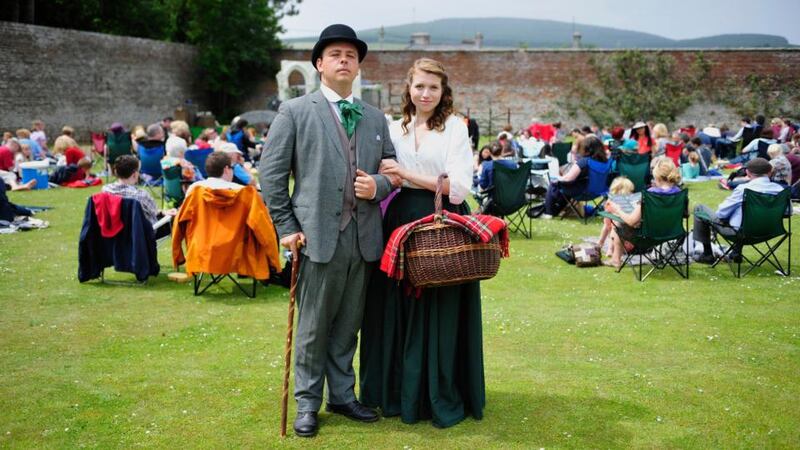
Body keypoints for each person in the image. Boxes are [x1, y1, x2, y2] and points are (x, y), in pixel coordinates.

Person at [260, 24, 395, 438]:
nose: (344, 60)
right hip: (315, 237)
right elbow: (271, 173)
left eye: (351, 55)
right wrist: (286, 227)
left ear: (357, 67)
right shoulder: (295, 112)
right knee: (313, 326)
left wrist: (379, 186)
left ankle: (342, 395)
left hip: (363, 238)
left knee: (348, 325)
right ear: (319, 64)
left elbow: (391, 168)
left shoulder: (375, 117)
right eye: (335, 54)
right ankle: (306, 403)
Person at [360, 57, 482, 429]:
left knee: (437, 308)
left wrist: (406, 175)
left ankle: (434, 393)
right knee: (394, 308)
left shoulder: (455, 130)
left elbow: (458, 187)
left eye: (433, 87)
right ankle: (395, 391)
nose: (425, 93)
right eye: (419, 86)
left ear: (443, 91)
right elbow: (382, 171)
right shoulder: (395, 127)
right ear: (408, 89)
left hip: (441, 222)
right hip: (398, 222)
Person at [693, 157, 786, 264]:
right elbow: (788, 212)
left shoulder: (743, 189)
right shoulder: (780, 190)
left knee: (700, 208)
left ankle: (707, 254)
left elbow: (721, 213)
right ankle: (736, 253)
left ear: (747, 172)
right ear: (770, 172)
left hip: (740, 234)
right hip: (769, 232)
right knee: (741, 215)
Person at [604, 157, 682, 268]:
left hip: (648, 237)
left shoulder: (650, 194)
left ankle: (616, 260)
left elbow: (631, 221)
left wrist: (617, 209)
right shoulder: (679, 193)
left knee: (618, 222)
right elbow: (686, 214)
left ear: (657, 176)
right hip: (672, 234)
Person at [101, 155, 175, 238]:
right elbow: (153, 213)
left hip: (115, 234)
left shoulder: (106, 190)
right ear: (135, 174)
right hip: (141, 236)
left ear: (116, 172)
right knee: (175, 219)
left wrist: (161, 212)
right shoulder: (141, 195)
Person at [543, 135, 608, 218]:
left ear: (586, 148)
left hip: (582, 192)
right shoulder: (606, 162)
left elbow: (568, 178)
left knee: (554, 184)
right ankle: (555, 211)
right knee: (564, 188)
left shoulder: (584, 162)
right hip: (597, 193)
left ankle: (548, 213)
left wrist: (558, 178)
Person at [598, 176, 636, 253]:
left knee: (615, 224)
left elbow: (607, 225)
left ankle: (605, 247)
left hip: (626, 242)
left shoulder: (612, 202)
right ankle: (604, 246)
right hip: (627, 240)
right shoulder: (631, 202)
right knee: (613, 223)